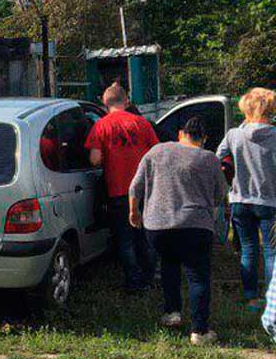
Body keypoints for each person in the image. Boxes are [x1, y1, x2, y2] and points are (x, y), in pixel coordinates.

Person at [129, 116, 228, 345]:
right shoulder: (209, 159)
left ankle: (172, 312)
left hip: (158, 226)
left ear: (180, 134)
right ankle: (200, 331)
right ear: (203, 138)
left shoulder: (156, 152)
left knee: (169, 265)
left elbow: (135, 186)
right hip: (195, 225)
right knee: (197, 276)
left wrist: (134, 212)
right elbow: (219, 195)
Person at [85, 81, 159, 292]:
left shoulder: (101, 125)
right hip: (145, 190)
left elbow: (95, 159)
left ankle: (134, 282)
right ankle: (149, 277)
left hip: (118, 191)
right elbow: (156, 153)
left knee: (125, 241)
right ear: (126, 101)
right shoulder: (142, 123)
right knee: (145, 237)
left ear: (104, 102)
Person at [216, 87, 276, 312]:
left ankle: (250, 297)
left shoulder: (234, 134)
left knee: (249, 249)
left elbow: (217, 158)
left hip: (240, 199)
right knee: (271, 251)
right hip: (269, 201)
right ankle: (272, 299)